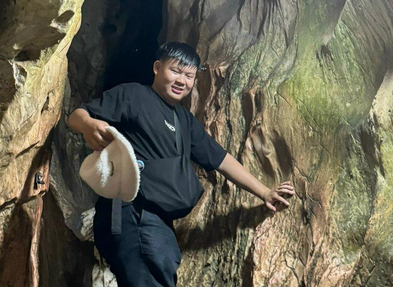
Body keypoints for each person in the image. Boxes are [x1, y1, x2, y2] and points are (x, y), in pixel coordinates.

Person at [67, 42, 295, 287]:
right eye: (175, 71)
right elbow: (77, 116)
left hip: (160, 220)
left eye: (189, 76)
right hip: (127, 210)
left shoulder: (184, 120)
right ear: (157, 67)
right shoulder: (134, 95)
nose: (182, 81)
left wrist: (264, 192)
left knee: (162, 270)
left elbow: (221, 159)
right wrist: (89, 125)